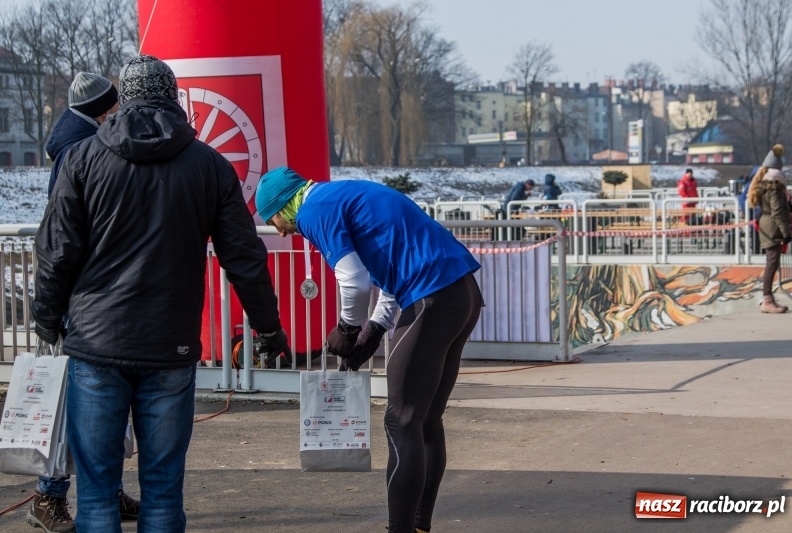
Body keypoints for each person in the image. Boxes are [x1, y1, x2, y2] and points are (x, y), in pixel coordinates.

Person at [32, 55, 290, 532]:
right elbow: (244, 258)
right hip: (170, 346)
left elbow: (56, 249)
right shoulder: (209, 166)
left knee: (95, 493)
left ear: (122, 101)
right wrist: (269, 327)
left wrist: (47, 316)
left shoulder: (81, 159)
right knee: (164, 491)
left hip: (95, 343)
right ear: (174, 99)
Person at [254, 166, 483, 533]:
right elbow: (391, 276)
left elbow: (354, 281)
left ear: (284, 204)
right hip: (463, 294)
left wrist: (347, 329)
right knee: (424, 421)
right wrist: (375, 329)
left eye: (274, 218)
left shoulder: (314, 209)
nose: (280, 230)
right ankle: (420, 526)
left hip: (432, 298)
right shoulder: (345, 195)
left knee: (401, 420)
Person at [31, 72, 139, 533]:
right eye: (114, 110)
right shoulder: (79, 154)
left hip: (93, 299)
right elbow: (61, 241)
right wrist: (52, 313)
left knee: (103, 406)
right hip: (88, 302)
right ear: (102, 112)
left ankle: (104, 491)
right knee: (73, 407)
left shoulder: (80, 147)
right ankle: (49, 495)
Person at [747, 144, 792, 313]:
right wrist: (786, 232)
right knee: (772, 263)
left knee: (772, 262)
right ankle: (767, 300)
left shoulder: (765, 182)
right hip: (773, 227)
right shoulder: (774, 185)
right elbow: (776, 211)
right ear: (778, 168)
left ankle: (769, 298)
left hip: (768, 224)